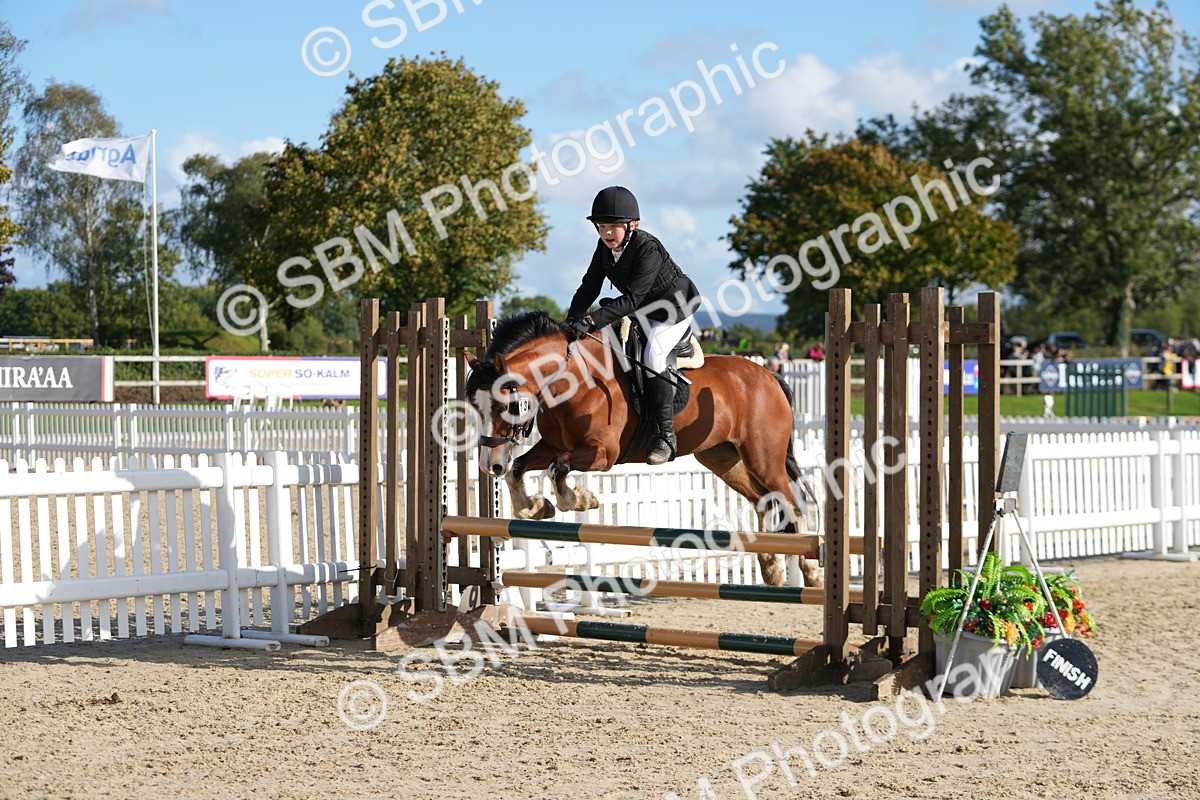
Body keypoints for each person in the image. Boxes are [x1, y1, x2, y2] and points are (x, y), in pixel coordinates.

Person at [564, 186, 701, 465]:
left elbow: (633, 298)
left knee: (653, 355)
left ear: (632, 225)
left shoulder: (647, 247)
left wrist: (590, 321)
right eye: (602, 226)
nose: (607, 233)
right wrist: (571, 320)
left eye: (614, 226)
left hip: (674, 308)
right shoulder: (604, 248)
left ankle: (666, 436)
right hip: (643, 309)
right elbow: (589, 286)